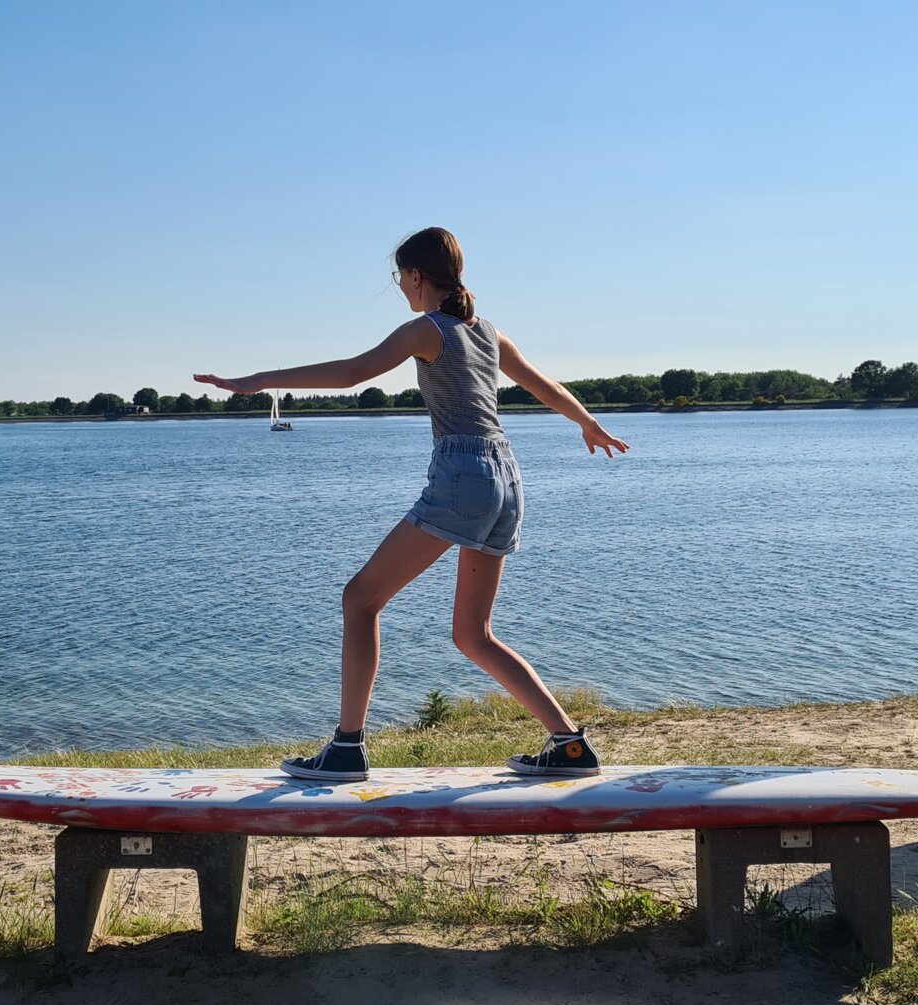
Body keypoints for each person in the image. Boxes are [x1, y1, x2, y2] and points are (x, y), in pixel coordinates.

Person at [194, 227, 629, 782]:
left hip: (463, 474)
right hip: (507, 477)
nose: (399, 285)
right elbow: (542, 385)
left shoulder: (427, 329)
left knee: (360, 600)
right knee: (473, 634)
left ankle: (347, 748)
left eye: (400, 275)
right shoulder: (488, 332)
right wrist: (587, 423)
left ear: (416, 276)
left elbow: (352, 373)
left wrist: (256, 382)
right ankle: (568, 744)